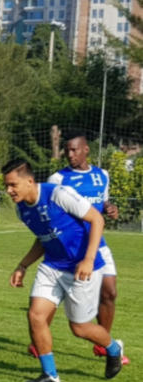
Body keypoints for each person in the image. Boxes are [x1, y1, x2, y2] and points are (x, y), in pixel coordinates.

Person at [3, 158, 123, 382]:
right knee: (36, 315)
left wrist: (88, 259)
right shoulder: (22, 209)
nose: (9, 191)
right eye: (6, 186)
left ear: (29, 181)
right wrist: (22, 265)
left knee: (79, 328)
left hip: (82, 268)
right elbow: (43, 238)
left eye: (12, 185)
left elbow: (97, 219)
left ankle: (114, 348)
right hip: (52, 266)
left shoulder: (58, 194)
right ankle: (50, 375)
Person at [29, 132, 128, 364]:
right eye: (67, 150)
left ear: (86, 150)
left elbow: (101, 203)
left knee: (110, 292)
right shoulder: (57, 179)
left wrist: (109, 207)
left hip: (96, 243)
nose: (70, 154)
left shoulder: (102, 175)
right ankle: (39, 341)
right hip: (69, 246)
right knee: (54, 293)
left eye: (74, 150)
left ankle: (103, 345)